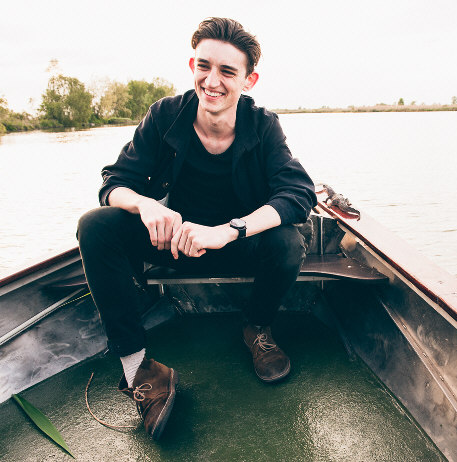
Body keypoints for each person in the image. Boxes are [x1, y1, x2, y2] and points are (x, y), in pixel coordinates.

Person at [75, 17, 316, 438]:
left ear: (249, 80)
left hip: (237, 241)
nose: (213, 81)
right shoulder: (166, 114)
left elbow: (298, 195)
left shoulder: (263, 126)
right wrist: (146, 205)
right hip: (174, 241)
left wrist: (228, 229)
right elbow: (113, 184)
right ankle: (140, 370)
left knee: (287, 243)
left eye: (227, 71)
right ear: (192, 66)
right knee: (96, 227)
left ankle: (257, 327)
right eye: (204, 66)